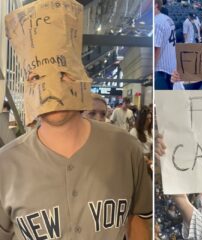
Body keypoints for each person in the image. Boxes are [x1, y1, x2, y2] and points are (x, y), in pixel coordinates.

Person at [1, 1, 152, 239]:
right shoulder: (6, 166)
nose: (51, 89)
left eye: (63, 74)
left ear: (81, 76)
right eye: (37, 77)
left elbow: (140, 219)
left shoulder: (126, 149)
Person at [155, 0, 176, 90]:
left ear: (155, 5)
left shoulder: (156, 21)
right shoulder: (167, 19)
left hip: (161, 70)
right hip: (171, 69)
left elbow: (156, 48)